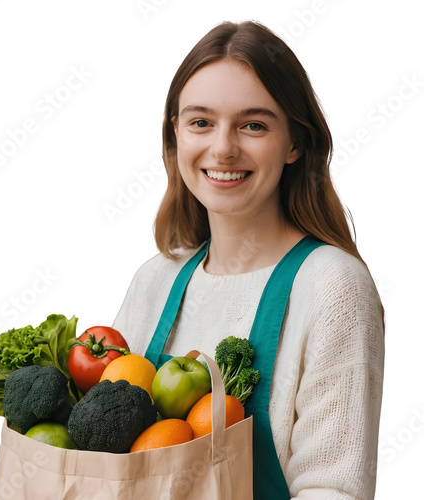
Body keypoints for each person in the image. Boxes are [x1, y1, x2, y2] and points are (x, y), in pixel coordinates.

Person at [112, 20, 384, 499]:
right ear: (175, 137)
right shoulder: (155, 279)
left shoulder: (333, 287)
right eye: (201, 122)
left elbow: (333, 489)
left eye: (253, 125)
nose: (223, 148)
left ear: (296, 143)